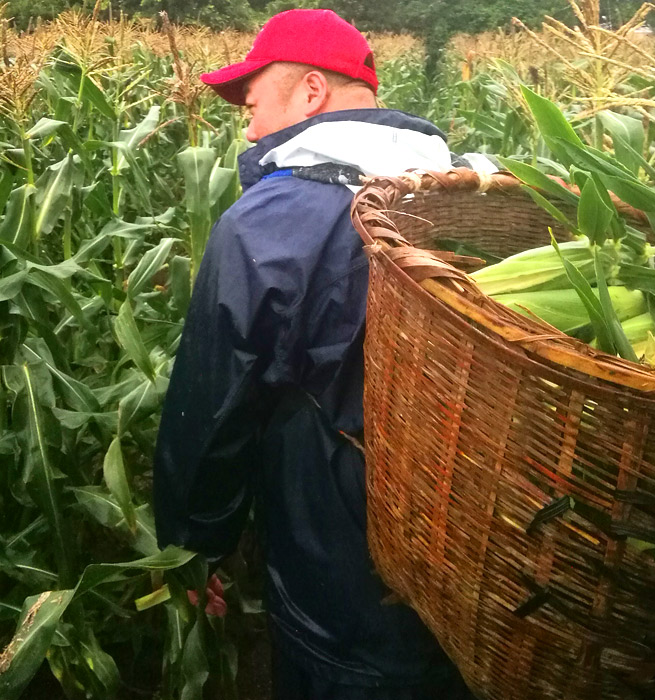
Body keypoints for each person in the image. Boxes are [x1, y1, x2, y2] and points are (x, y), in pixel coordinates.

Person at [153, 9, 476, 700]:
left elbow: (213, 411)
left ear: (309, 93)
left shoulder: (267, 223)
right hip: (474, 572)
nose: (246, 122)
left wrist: (194, 544)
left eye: (253, 102)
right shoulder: (481, 190)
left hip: (339, 581)